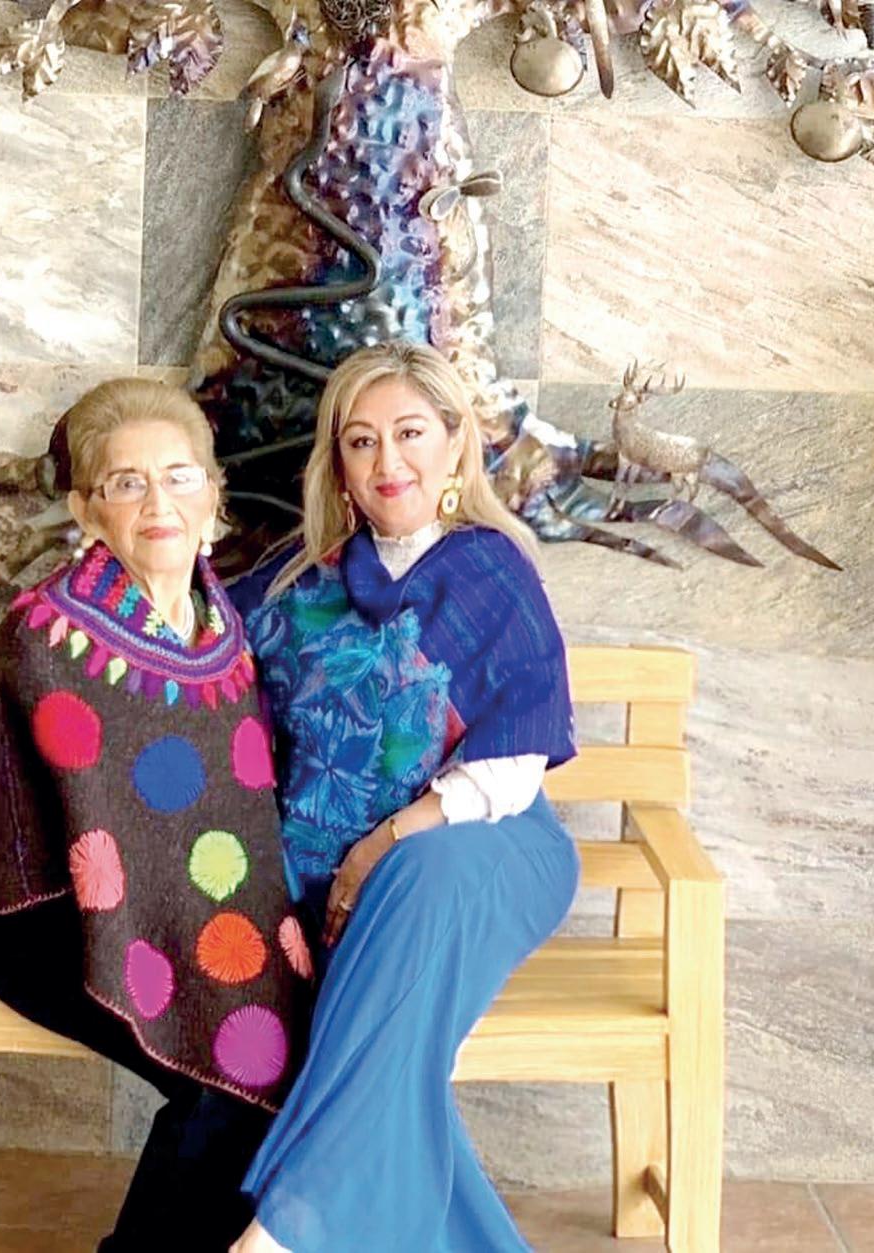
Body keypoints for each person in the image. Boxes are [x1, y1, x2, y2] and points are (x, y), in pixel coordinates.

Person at [0, 378, 312, 1252]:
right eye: (126, 482)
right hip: (38, 915)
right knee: (227, 1072)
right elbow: (11, 827)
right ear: (86, 509)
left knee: (284, 1043)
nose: (158, 503)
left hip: (180, 917)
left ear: (214, 495)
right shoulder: (45, 639)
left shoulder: (223, 628)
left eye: (178, 477)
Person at [226, 342, 581, 1253]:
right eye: (362, 440)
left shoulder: (492, 570)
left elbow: (515, 762)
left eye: (412, 433)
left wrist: (380, 844)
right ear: (338, 463)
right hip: (348, 882)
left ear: (456, 442)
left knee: (418, 871)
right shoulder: (301, 578)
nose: (389, 461)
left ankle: (285, 1237)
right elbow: (204, 641)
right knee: (395, 1059)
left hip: (490, 844)